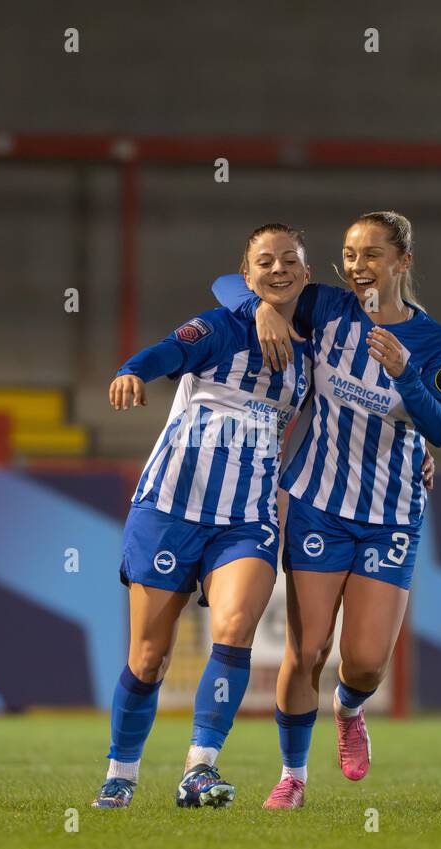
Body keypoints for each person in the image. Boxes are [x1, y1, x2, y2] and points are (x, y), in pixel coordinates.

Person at [212, 211, 441, 808]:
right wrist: (265, 310)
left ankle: (349, 711)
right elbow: (230, 284)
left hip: (392, 513)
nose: (357, 266)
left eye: (372, 254)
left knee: (366, 663)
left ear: (403, 262)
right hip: (318, 502)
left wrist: (406, 375)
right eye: (350, 254)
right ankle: (292, 777)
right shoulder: (323, 306)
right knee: (307, 650)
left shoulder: (433, 342)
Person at [92, 224, 312, 809]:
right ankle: (121, 773)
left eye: (290, 260)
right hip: (170, 506)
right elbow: (169, 350)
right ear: (247, 275)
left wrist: (414, 457)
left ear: (307, 273)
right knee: (148, 657)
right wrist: (133, 369)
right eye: (265, 261)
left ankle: (200, 769)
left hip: (248, 516)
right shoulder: (219, 325)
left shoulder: (315, 349)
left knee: (235, 630)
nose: (278, 269)